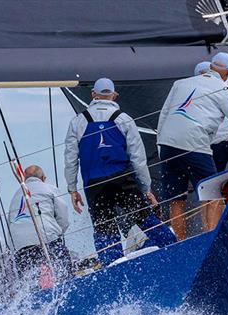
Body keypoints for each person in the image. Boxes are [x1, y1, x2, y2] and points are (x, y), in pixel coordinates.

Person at [64, 77, 176, 265]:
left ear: (93, 95)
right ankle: (173, 250)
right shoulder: (124, 119)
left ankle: (111, 268)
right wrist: (146, 188)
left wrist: (72, 188)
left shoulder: (77, 122)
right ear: (114, 95)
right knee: (144, 217)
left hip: (94, 184)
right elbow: (138, 158)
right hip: (122, 179)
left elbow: (70, 158)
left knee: (104, 228)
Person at [156, 51, 228, 239]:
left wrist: (159, 148)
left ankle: (179, 242)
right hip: (195, 146)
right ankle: (210, 238)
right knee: (213, 192)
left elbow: (163, 116)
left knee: (176, 200)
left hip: (167, 146)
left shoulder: (180, 84)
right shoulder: (222, 88)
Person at [7, 165, 71, 273]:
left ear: (24, 179)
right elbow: (63, 216)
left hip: (20, 245)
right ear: (43, 178)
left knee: (27, 281)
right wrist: (58, 233)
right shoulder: (49, 189)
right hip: (47, 238)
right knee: (64, 269)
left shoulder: (15, 196)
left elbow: (10, 223)